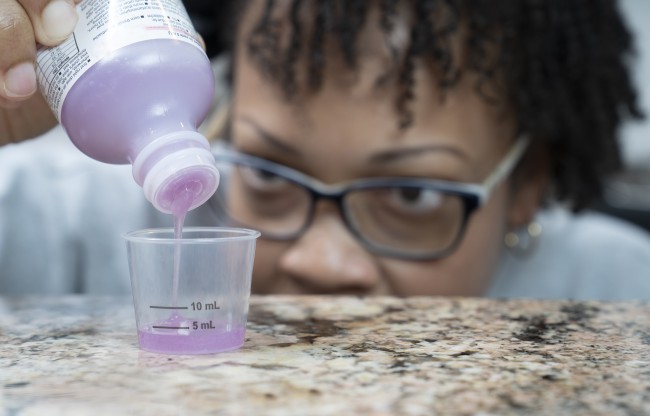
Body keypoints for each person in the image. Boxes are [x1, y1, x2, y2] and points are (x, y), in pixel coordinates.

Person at [1, 0, 650, 299]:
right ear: (224, 112)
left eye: (410, 196)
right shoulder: (68, 231)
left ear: (528, 181)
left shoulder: (620, 297)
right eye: (270, 173)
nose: (322, 264)